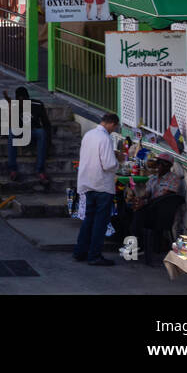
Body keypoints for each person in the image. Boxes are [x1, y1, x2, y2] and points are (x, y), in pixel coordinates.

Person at [74, 112, 120, 266]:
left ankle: (80, 252)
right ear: (112, 124)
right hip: (102, 185)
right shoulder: (105, 138)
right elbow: (108, 164)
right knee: (100, 223)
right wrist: (117, 162)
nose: (113, 130)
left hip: (87, 182)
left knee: (89, 220)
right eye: (114, 128)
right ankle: (94, 255)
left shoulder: (89, 134)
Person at [128, 155, 185, 262]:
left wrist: (144, 203)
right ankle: (137, 242)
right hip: (150, 210)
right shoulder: (153, 178)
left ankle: (137, 245)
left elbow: (165, 197)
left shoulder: (173, 178)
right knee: (130, 210)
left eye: (160, 164)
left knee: (138, 214)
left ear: (168, 166)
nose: (158, 167)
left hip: (162, 214)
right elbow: (148, 193)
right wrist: (140, 198)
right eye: (157, 164)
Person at [5, 86, 52, 185]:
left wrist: (48, 142)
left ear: (28, 99)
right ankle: (13, 169)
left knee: (42, 132)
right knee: (11, 132)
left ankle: (40, 170)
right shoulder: (15, 106)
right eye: (19, 100)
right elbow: (12, 125)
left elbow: (46, 124)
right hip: (21, 132)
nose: (22, 102)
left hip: (34, 131)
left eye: (24, 100)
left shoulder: (37, 104)